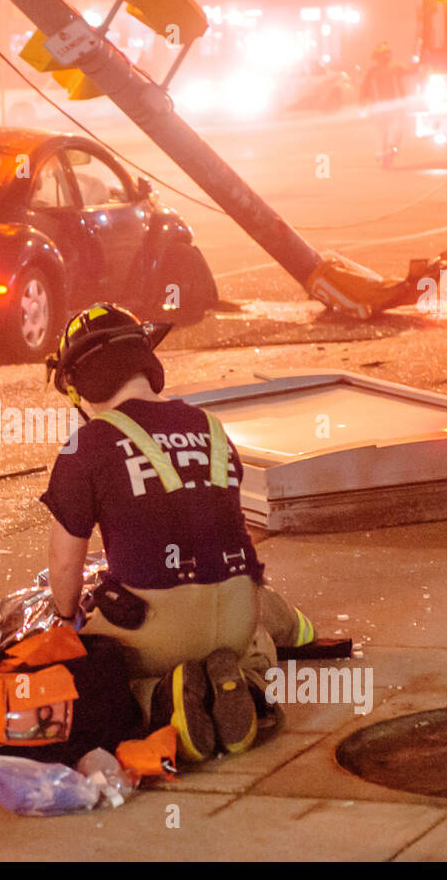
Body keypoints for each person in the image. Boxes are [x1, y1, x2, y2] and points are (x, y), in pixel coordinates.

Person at [40, 303, 316, 763]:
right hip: (236, 614)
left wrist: (66, 622)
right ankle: (243, 684)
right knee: (253, 644)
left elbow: (65, 562)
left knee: (94, 674)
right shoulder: (212, 428)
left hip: (156, 626)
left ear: (81, 381)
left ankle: (160, 699)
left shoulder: (85, 445)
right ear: (147, 362)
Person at [359, 43, 409, 168]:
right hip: (393, 106)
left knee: (379, 131)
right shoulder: (396, 68)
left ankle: (382, 153)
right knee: (395, 128)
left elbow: (364, 89)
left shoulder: (372, 72)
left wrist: (362, 103)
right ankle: (389, 149)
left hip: (378, 107)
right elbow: (411, 71)